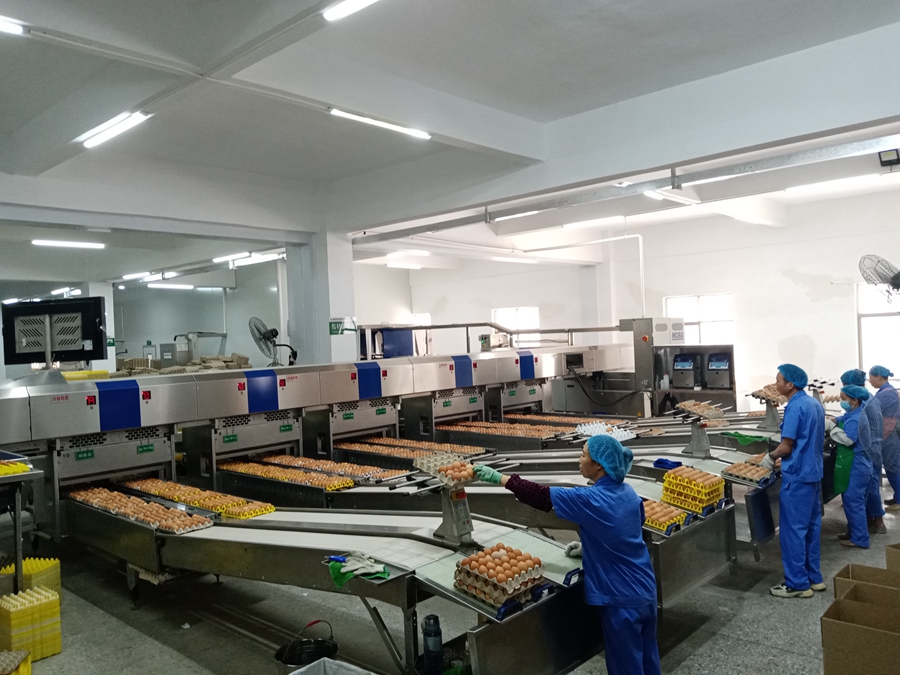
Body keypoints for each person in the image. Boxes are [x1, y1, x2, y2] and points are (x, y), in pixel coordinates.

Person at [474, 436, 660, 675]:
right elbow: (631, 528)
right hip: (646, 589)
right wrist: (592, 545)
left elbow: (541, 496)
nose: (579, 460)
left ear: (599, 465)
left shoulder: (591, 499)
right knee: (648, 660)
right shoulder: (629, 493)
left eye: (583, 455)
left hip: (621, 599)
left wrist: (499, 478)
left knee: (627, 668)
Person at [762, 364, 825, 598]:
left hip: (797, 477)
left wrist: (770, 457)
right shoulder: (813, 404)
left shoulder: (795, 407)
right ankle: (814, 578)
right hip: (813, 473)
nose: (776, 384)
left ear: (790, 385)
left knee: (793, 532)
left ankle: (797, 584)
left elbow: (786, 446)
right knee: (811, 528)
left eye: (779, 380)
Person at [827, 385, 873, 548]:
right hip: (863, 463)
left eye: (844, 399)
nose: (842, 401)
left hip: (856, 465)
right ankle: (854, 532)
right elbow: (846, 417)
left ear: (854, 400)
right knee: (856, 502)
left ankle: (860, 539)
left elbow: (848, 440)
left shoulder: (856, 419)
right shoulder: (856, 413)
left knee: (854, 503)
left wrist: (831, 428)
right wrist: (836, 420)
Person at [841, 369, 886, 534]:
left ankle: (878, 522)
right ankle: (866, 522)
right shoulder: (868, 397)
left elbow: (855, 421)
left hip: (868, 448)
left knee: (869, 486)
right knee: (868, 487)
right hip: (873, 445)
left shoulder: (863, 401)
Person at [869, 366, 900, 513]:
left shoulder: (886, 394)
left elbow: (871, 411)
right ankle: (897, 496)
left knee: (893, 468)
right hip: (889, 434)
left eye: (871, 378)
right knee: (891, 468)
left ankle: (899, 501)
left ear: (879, 377)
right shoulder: (886, 391)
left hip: (889, 435)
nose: (870, 381)